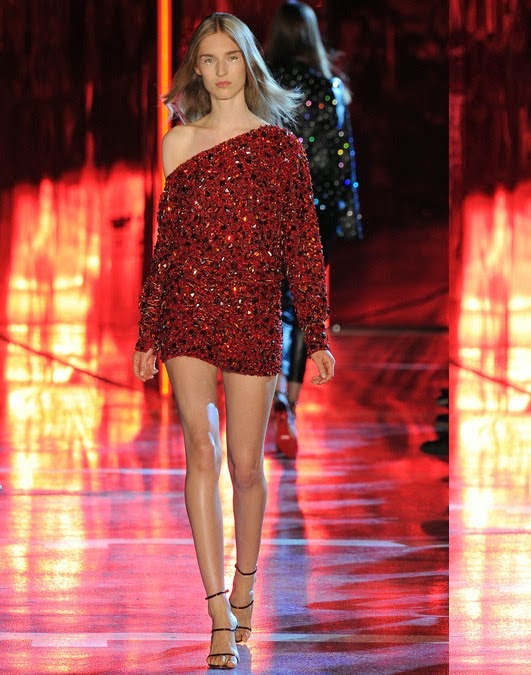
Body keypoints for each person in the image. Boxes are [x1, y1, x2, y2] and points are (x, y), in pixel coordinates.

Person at [132, 12, 335, 669]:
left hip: (252, 311)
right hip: (186, 312)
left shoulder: (281, 149)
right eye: (208, 60)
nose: (220, 71)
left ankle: (246, 583)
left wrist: (317, 332)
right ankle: (217, 608)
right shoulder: (178, 144)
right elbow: (166, 247)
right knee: (201, 447)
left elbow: (303, 246)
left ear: (250, 63)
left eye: (231, 58)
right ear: (195, 69)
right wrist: (148, 329)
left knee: (246, 466)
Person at [264, 0, 364, 457]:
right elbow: (341, 156)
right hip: (316, 209)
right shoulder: (328, 87)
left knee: (268, 304)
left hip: (266, 207)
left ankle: (272, 394)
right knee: (307, 307)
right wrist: (346, 216)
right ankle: (291, 403)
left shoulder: (261, 85)